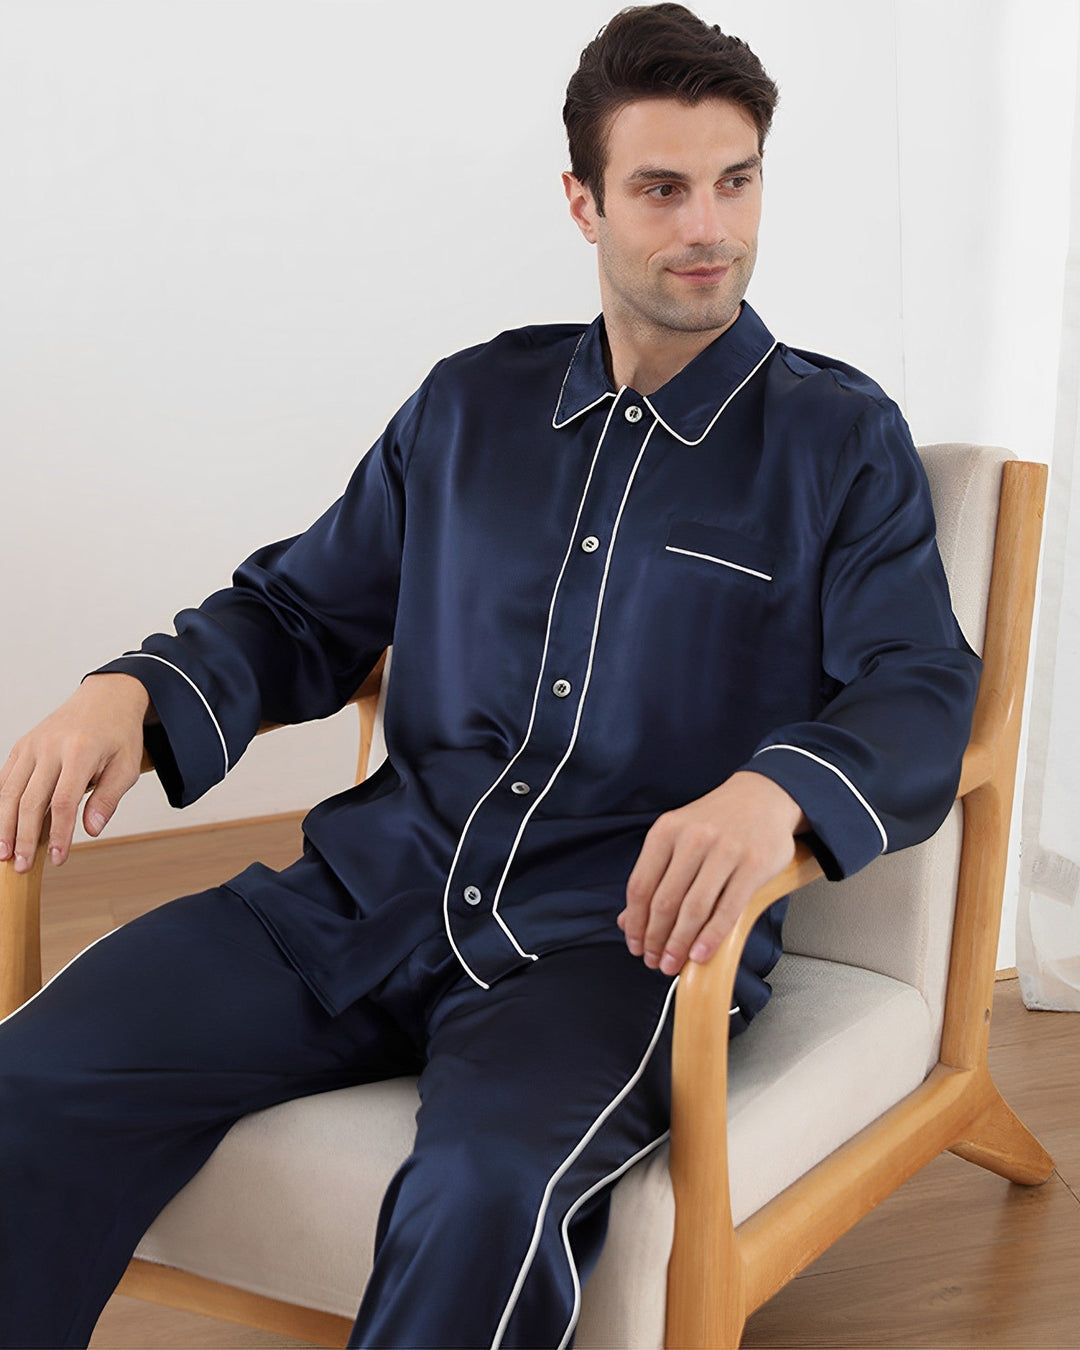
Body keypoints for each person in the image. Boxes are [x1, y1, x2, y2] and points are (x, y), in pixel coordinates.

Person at [0, 5, 981, 1347]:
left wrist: (778, 792)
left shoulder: (838, 440)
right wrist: (132, 689)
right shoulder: (468, 407)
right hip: (364, 893)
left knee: (483, 1191)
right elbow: (298, 612)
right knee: (30, 1072)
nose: (711, 226)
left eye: (737, 180)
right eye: (662, 187)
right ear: (582, 202)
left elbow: (921, 682)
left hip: (612, 943)